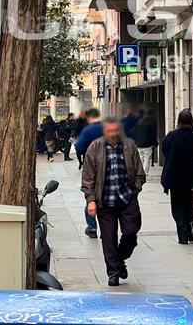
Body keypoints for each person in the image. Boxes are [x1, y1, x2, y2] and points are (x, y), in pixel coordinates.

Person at [81, 116, 145, 287]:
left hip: (127, 198)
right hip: (105, 201)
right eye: (110, 131)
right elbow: (87, 179)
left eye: (116, 130)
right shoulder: (95, 148)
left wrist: (135, 191)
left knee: (131, 232)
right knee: (108, 238)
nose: (113, 134)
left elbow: (139, 173)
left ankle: (119, 258)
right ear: (104, 131)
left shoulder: (129, 146)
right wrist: (91, 200)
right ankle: (114, 272)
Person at [161, 109, 193, 245]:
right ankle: (191, 223)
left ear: (179, 121)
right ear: (191, 121)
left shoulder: (171, 136)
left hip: (174, 177)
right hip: (190, 177)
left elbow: (165, 150)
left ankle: (183, 235)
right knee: (189, 203)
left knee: (177, 206)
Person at [75, 108, 103, 238]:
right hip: (111, 165)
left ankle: (92, 227)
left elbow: (79, 147)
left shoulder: (88, 130)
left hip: (93, 166)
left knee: (91, 194)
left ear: (89, 118)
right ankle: (108, 225)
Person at [135, 108, 158, 176]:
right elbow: (152, 134)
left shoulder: (138, 125)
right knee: (147, 158)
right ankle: (145, 172)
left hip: (139, 144)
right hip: (147, 144)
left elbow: (135, 134)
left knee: (141, 158)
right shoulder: (150, 124)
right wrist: (154, 143)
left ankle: (140, 171)